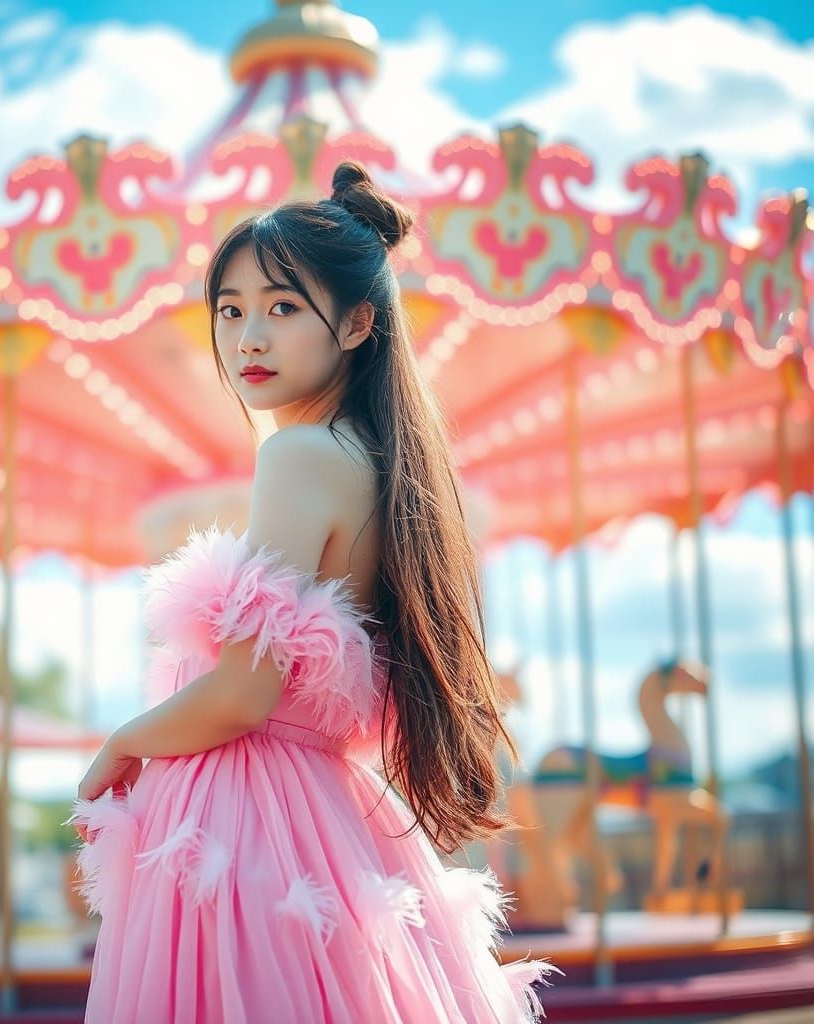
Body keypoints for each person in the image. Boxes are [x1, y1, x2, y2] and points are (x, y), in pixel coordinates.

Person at [68, 160, 560, 1022]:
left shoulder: (296, 456)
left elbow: (242, 693)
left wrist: (127, 740)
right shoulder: (382, 467)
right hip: (322, 812)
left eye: (283, 308)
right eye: (231, 310)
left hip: (244, 820)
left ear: (359, 321)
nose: (248, 338)